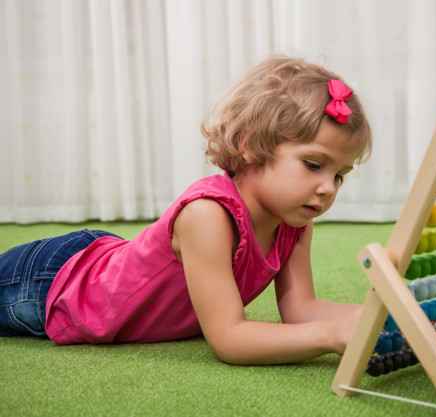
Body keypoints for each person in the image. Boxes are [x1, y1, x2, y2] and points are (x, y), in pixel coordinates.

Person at [0, 56, 373, 365]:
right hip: (52, 284)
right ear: (250, 145)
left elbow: (301, 310)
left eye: (339, 175)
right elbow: (230, 338)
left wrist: (372, 320)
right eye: (313, 165)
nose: (328, 187)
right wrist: (330, 335)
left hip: (102, 258)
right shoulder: (207, 215)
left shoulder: (294, 225)